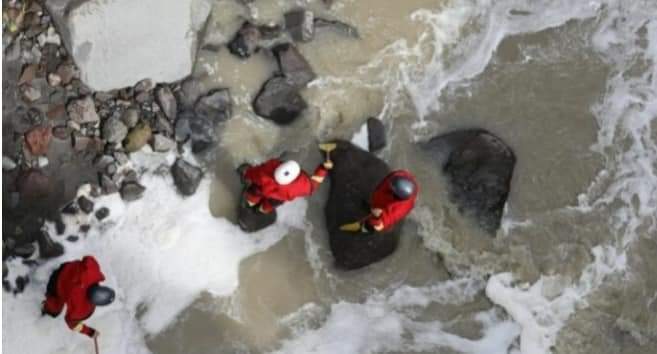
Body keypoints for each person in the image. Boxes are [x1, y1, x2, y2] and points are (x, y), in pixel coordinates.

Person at [42, 255, 115, 338]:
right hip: (55, 286)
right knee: (53, 311)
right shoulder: (81, 309)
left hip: (65, 268)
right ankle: (46, 308)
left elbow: (87, 258)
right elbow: (72, 323)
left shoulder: (92, 270)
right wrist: (90, 332)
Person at [242, 156, 333, 214]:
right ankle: (261, 210)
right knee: (269, 205)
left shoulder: (266, 171)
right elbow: (314, 184)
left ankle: (249, 204)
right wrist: (323, 168)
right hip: (278, 198)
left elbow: (253, 174)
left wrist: (246, 174)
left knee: (253, 194)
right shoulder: (301, 185)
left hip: (262, 188)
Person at [342, 170, 418, 232]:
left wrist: (378, 218)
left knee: (373, 225)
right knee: (374, 205)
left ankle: (363, 228)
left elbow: (381, 225)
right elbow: (388, 178)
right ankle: (371, 207)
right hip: (379, 199)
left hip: (382, 208)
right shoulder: (399, 176)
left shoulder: (400, 209)